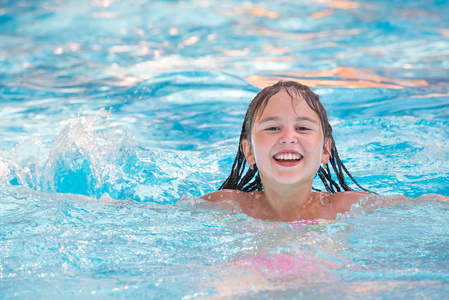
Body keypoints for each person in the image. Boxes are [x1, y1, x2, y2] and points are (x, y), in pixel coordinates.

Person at [201, 80, 374, 222]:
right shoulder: (227, 205)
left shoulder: (349, 208)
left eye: (303, 128)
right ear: (249, 151)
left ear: (325, 150)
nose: (288, 137)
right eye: (273, 128)